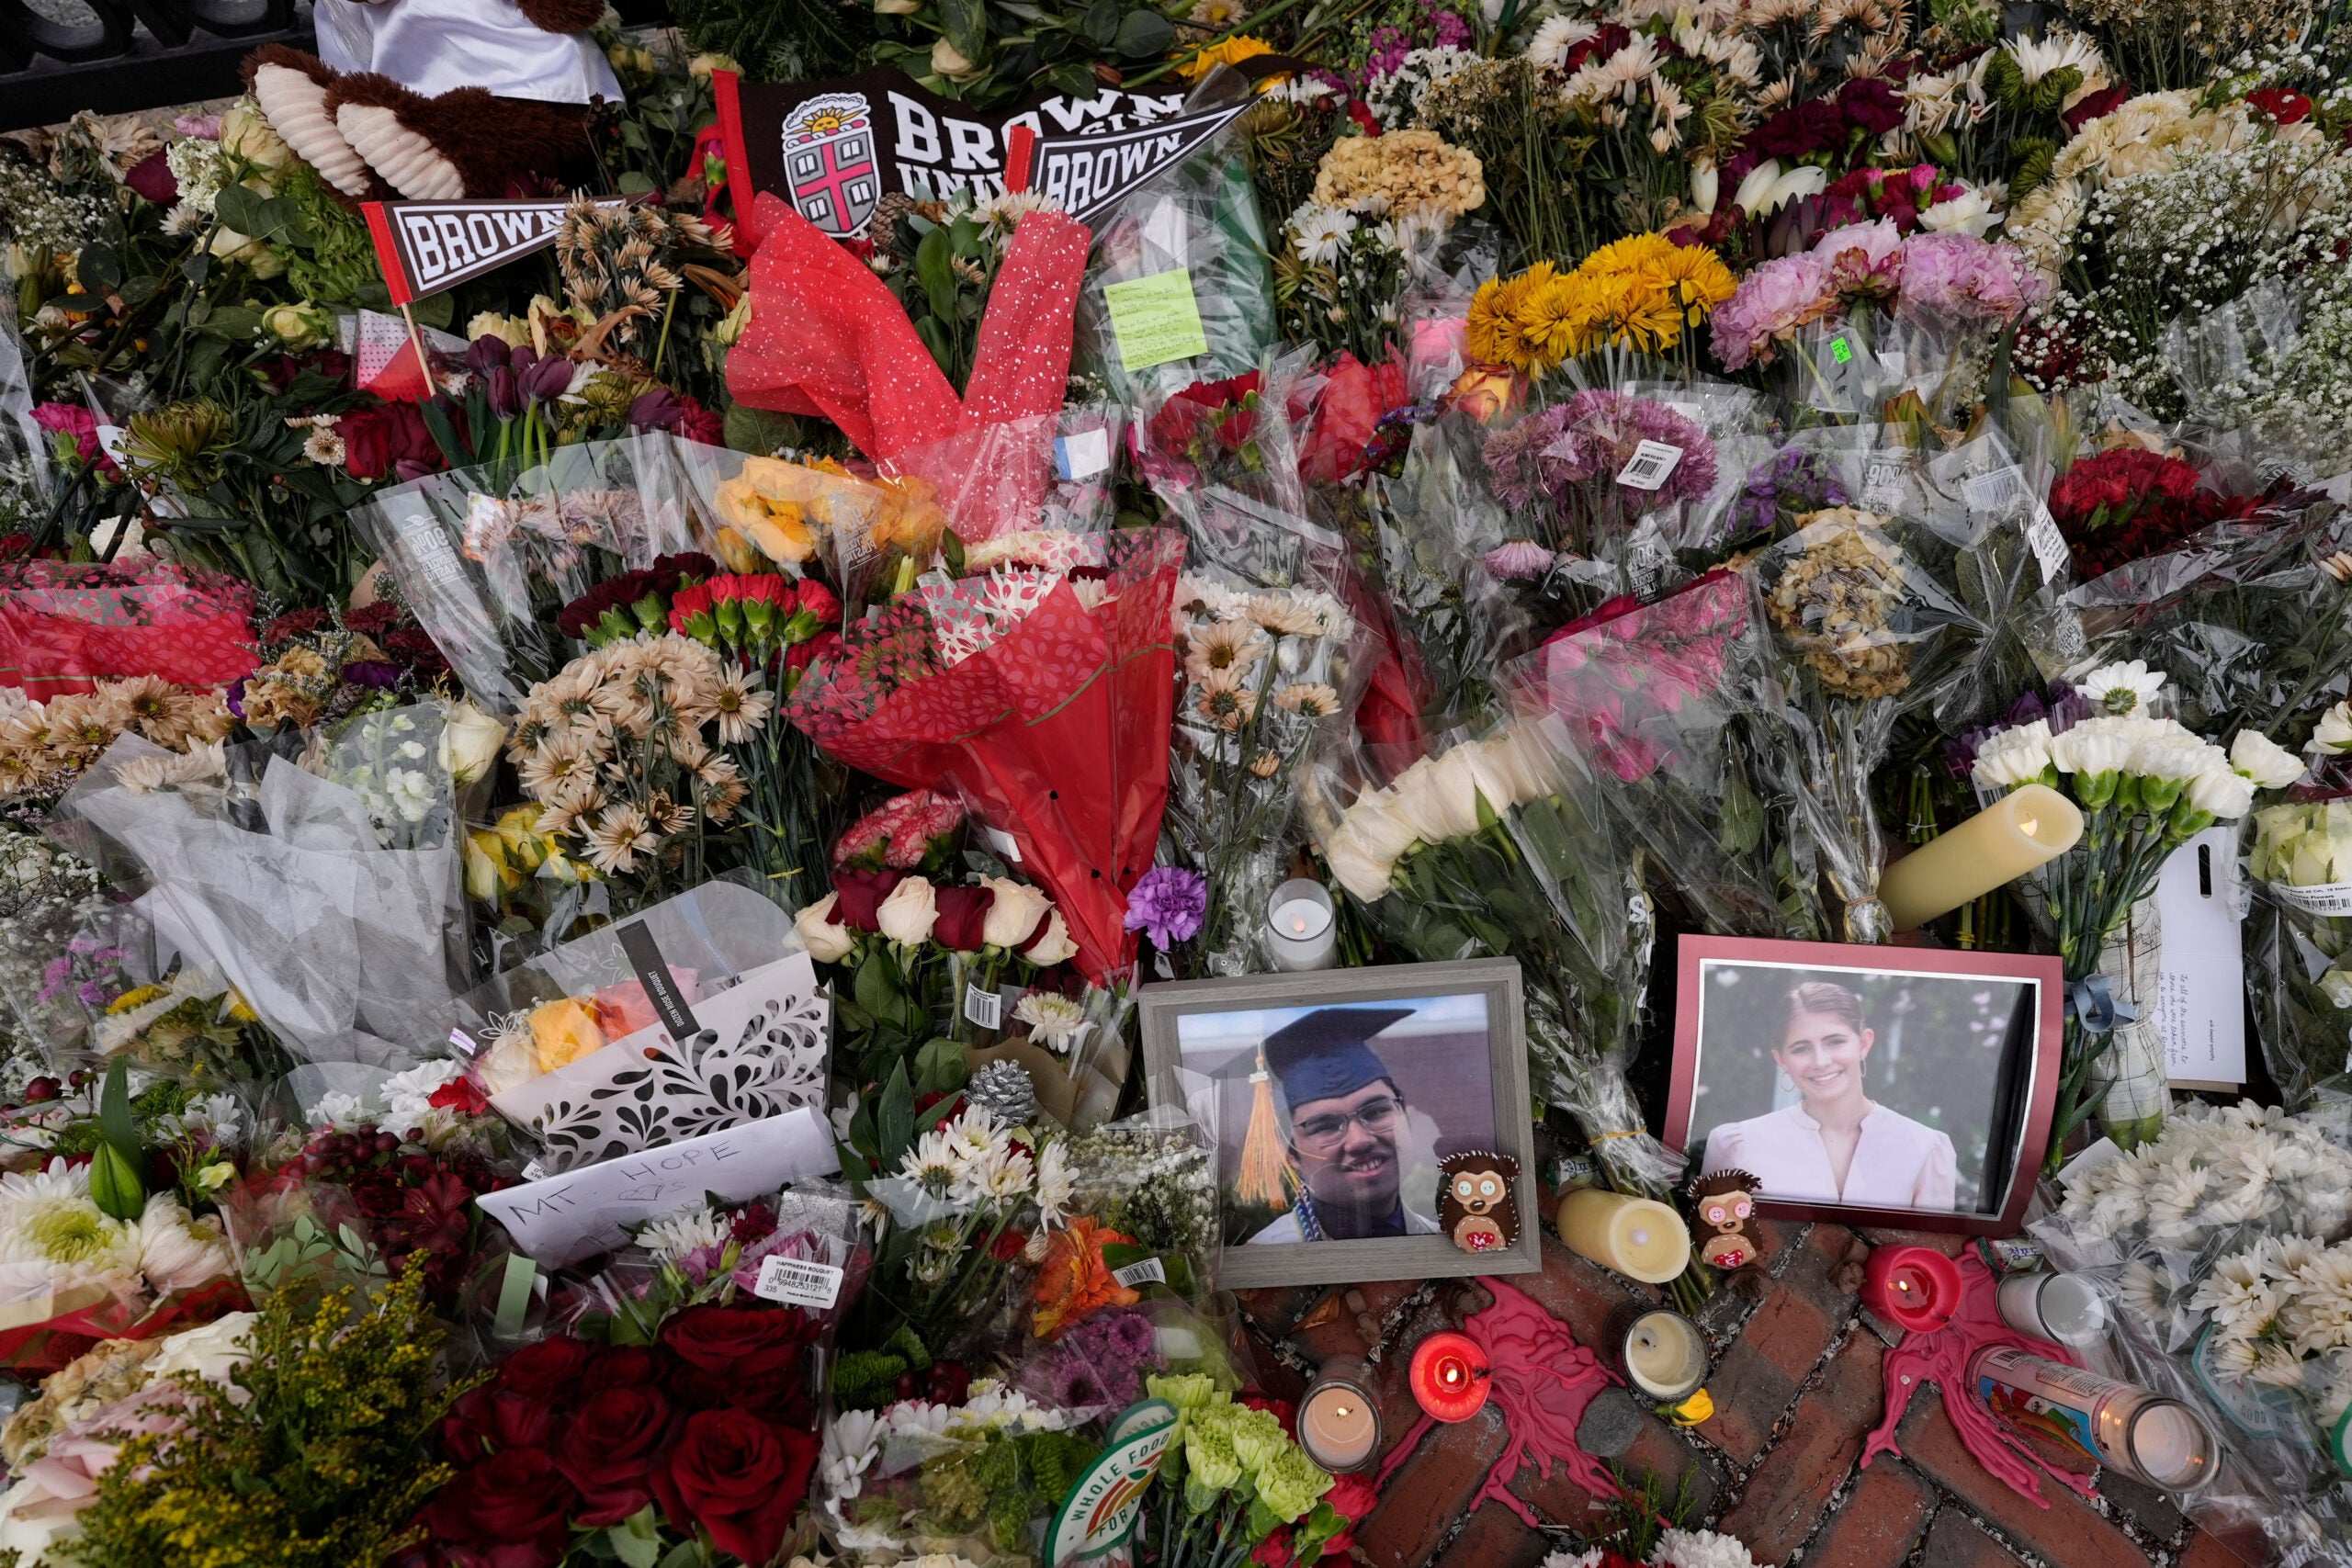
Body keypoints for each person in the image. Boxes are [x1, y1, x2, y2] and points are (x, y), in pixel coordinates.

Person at [1702, 980, 1957, 1211]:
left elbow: (1930, 1252)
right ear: (1781, 1060)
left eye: (1835, 1042)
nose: (1820, 1061)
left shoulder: (1924, 1147)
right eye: (1801, 1048)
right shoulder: (1738, 1145)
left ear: (1864, 1043)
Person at [1246, 1007, 1442, 1244]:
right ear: (1291, 1154)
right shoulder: (1268, 1260)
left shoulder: (1444, 1240)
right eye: (1325, 1126)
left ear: (1403, 1115)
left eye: (1377, 1111)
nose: (1360, 1140)